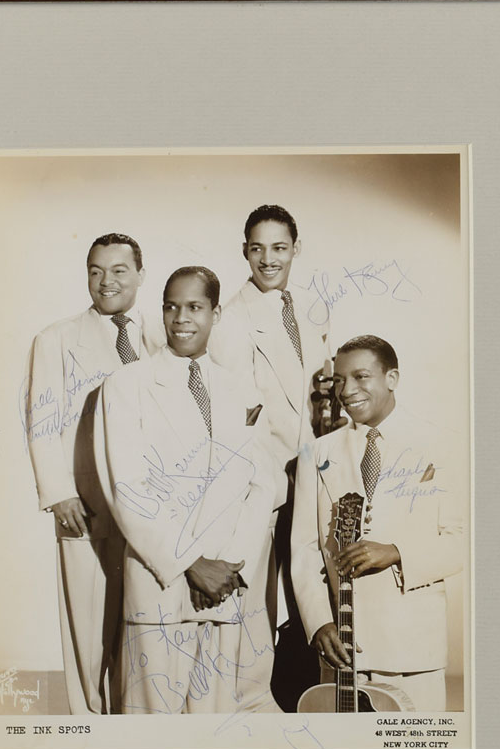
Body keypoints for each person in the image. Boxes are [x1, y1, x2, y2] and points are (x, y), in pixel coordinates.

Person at [94, 266, 277, 714]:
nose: (180, 318)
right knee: (152, 727)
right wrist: (192, 564)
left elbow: (261, 485)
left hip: (223, 590)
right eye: (171, 307)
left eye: (194, 307)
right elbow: (127, 488)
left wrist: (230, 568)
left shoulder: (243, 391)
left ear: (216, 313)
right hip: (162, 583)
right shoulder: (126, 385)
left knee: (214, 726)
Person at [24, 232, 163, 714]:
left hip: (150, 509)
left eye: (119, 270)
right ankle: (89, 726)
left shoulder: (163, 336)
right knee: (89, 630)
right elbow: (41, 422)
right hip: (86, 506)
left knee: (142, 630)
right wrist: (59, 493)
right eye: (96, 271)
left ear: (140, 275)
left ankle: (134, 722)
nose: (106, 281)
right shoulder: (56, 340)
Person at [290, 335, 464, 711]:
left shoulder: (441, 444)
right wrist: (319, 623)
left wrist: (396, 552)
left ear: (392, 378)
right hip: (342, 649)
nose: (346, 390)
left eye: (361, 377)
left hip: (413, 649)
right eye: (339, 380)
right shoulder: (316, 453)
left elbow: (463, 540)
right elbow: (303, 549)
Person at [210, 204, 331, 709]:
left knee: (311, 587)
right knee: (254, 598)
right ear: (244, 251)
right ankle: (247, 701)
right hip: (261, 478)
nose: (268, 259)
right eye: (257, 248)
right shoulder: (230, 319)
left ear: (296, 249)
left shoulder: (310, 307)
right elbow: (233, 415)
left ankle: (302, 694)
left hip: (310, 471)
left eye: (279, 247)